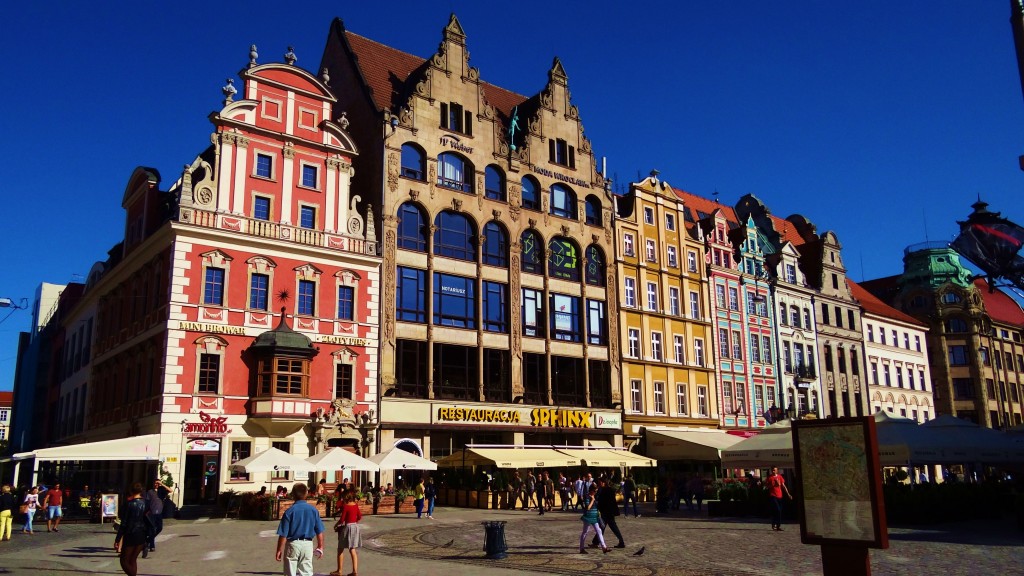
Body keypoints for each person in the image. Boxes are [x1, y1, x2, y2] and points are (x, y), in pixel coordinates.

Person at [275, 483, 325, 576]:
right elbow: (319, 531)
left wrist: (279, 549)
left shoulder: (289, 512)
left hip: (293, 544)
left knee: (290, 572)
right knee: (306, 572)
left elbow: (283, 534)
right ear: (306, 493)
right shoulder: (313, 510)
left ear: (293, 495)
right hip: (307, 544)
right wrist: (320, 546)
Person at [114, 483, 152, 576]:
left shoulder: (129, 504)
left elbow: (124, 523)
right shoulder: (146, 503)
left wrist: (117, 539)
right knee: (132, 560)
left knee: (124, 561)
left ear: (131, 491)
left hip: (131, 533)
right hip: (142, 533)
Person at [332, 492, 362, 576]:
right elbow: (360, 516)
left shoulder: (346, 506)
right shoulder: (355, 505)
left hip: (348, 527)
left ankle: (339, 570)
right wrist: (355, 521)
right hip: (355, 527)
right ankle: (355, 571)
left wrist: (336, 525)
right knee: (352, 549)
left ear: (346, 498)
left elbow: (342, 519)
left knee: (340, 548)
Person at [591, 477, 625, 548]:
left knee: (607, 527)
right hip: (609, 512)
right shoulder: (609, 490)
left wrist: (598, 507)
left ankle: (596, 542)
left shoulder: (605, 490)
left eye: (600, 482)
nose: (599, 483)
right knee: (603, 527)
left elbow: (603, 502)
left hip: (607, 512)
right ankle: (596, 542)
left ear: (604, 482)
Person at [578, 485, 608, 554]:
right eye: (594, 491)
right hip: (588, 517)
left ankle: (604, 547)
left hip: (594, 517)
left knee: (599, 531)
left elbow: (596, 506)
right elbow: (588, 507)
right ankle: (581, 548)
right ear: (591, 490)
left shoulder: (595, 496)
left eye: (596, 491)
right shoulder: (587, 496)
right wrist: (592, 500)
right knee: (585, 532)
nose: (595, 492)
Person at [766, 467, 792, 531]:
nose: (773, 471)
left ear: (777, 471)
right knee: (777, 510)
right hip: (773, 495)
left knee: (779, 511)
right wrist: (774, 485)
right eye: (772, 470)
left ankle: (777, 525)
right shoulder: (770, 477)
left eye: (774, 470)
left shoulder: (780, 477)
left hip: (780, 496)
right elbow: (767, 486)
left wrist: (788, 494)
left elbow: (783, 486)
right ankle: (774, 524)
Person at [144, 479, 164, 553]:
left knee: (159, 528)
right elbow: (147, 501)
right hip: (152, 513)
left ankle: (147, 540)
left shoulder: (161, 491)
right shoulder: (150, 492)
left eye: (157, 483)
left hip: (159, 513)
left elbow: (170, 490)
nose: (156, 484)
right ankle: (152, 546)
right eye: (155, 483)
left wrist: (162, 484)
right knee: (152, 529)